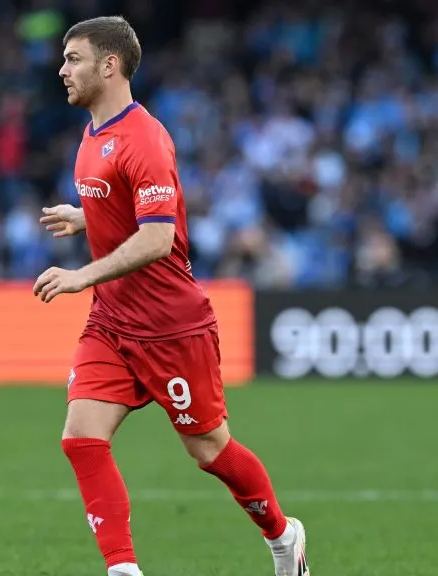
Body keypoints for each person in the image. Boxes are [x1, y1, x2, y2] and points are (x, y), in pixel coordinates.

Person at [32, 15, 311, 576]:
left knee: (209, 451)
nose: (62, 69)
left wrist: (83, 275)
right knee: (81, 438)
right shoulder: (91, 136)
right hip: (112, 322)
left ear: (109, 66)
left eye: (74, 59)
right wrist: (88, 216)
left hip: (171, 326)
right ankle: (123, 570)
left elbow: (160, 238)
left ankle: (284, 537)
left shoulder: (144, 138)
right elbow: (131, 211)